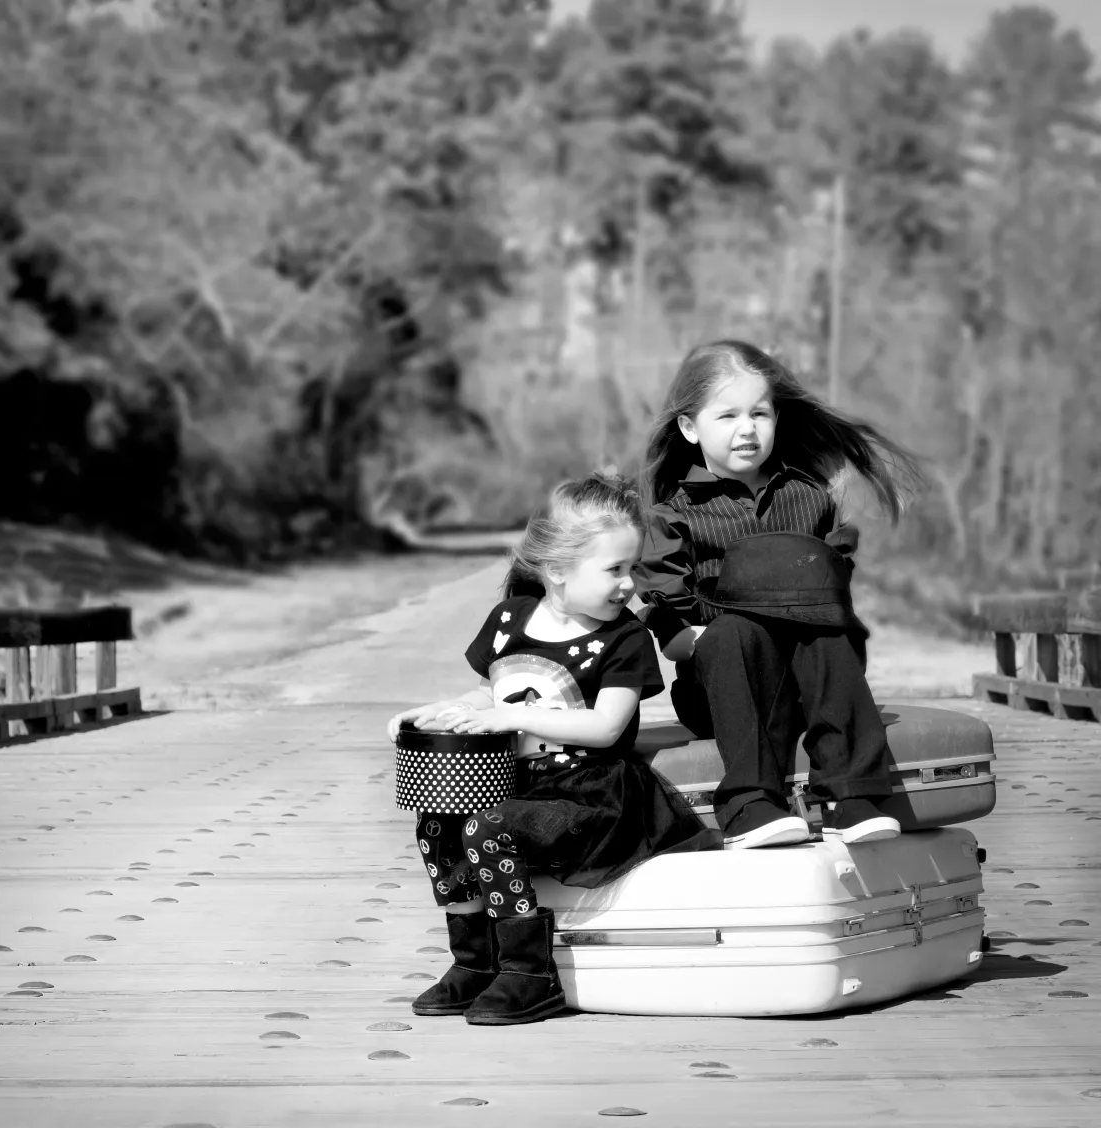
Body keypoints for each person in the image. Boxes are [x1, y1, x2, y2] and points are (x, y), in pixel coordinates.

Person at [387, 473, 715, 1026]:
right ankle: (475, 962)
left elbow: (606, 727)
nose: (628, 585)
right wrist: (439, 711)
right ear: (558, 570)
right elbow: (490, 693)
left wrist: (512, 716)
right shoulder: (510, 620)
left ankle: (530, 973)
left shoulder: (624, 638)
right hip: (515, 784)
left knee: (486, 829)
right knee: (438, 822)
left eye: (632, 568)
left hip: (590, 795)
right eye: (614, 569)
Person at [634, 339, 924, 850]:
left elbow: (834, 589)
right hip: (724, 691)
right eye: (727, 415)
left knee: (827, 628)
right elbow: (670, 626)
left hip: (809, 689)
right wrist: (709, 636)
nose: (747, 428)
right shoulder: (673, 516)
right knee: (735, 631)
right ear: (689, 428)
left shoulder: (810, 497)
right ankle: (749, 803)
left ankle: (850, 797)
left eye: (759, 413)